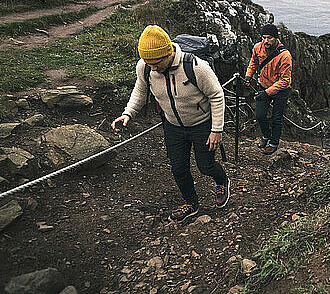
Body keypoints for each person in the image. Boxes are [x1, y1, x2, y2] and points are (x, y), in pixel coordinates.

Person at [111, 25, 230, 222]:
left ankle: (222, 181)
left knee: (205, 166)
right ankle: (190, 203)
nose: (153, 68)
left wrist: (216, 130)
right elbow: (140, 91)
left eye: (156, 63)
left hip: (201, 124)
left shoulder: (196, 67)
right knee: (178, 168)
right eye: (148, 63)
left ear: (169, 53)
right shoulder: (146, 67)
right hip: (173, 126)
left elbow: (217, 96)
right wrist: (128, 114)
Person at [244, 24, 292, 155]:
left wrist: (266, 93)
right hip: (264, 86)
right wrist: (248, 76)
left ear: (276, 38)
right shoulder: (257, 47)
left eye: (269, 38)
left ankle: (273, 143)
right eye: (263, 38)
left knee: (277, 118)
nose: (266, 41)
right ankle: (266, 135)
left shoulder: (285, 56)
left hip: (281, 90)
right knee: (259, 115)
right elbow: (253, 63)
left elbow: (284, 81)